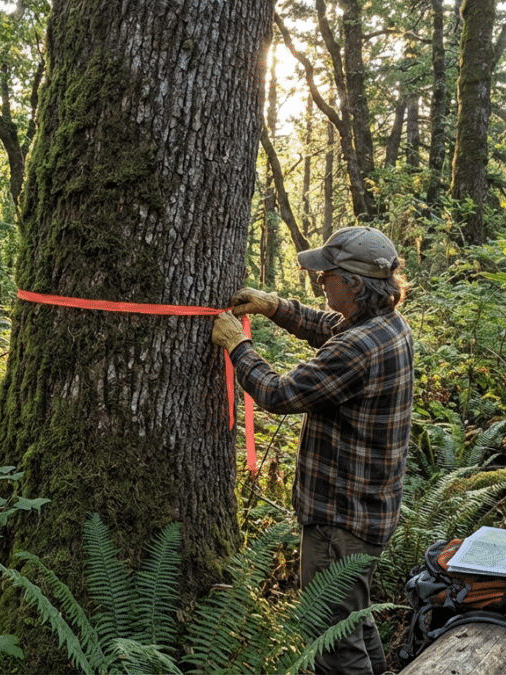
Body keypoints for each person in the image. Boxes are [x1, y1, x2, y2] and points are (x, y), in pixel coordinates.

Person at [211, 226, 413, 675]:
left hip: (339, 521)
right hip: (366, 513)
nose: (320, 281)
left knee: (332, 640)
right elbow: (328, 328)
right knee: (353, 624)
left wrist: (238, 346)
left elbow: (280, 393)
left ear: (356, 284)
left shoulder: (359, 346)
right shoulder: (384, 325)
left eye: (328, 274)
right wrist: (274, 306)